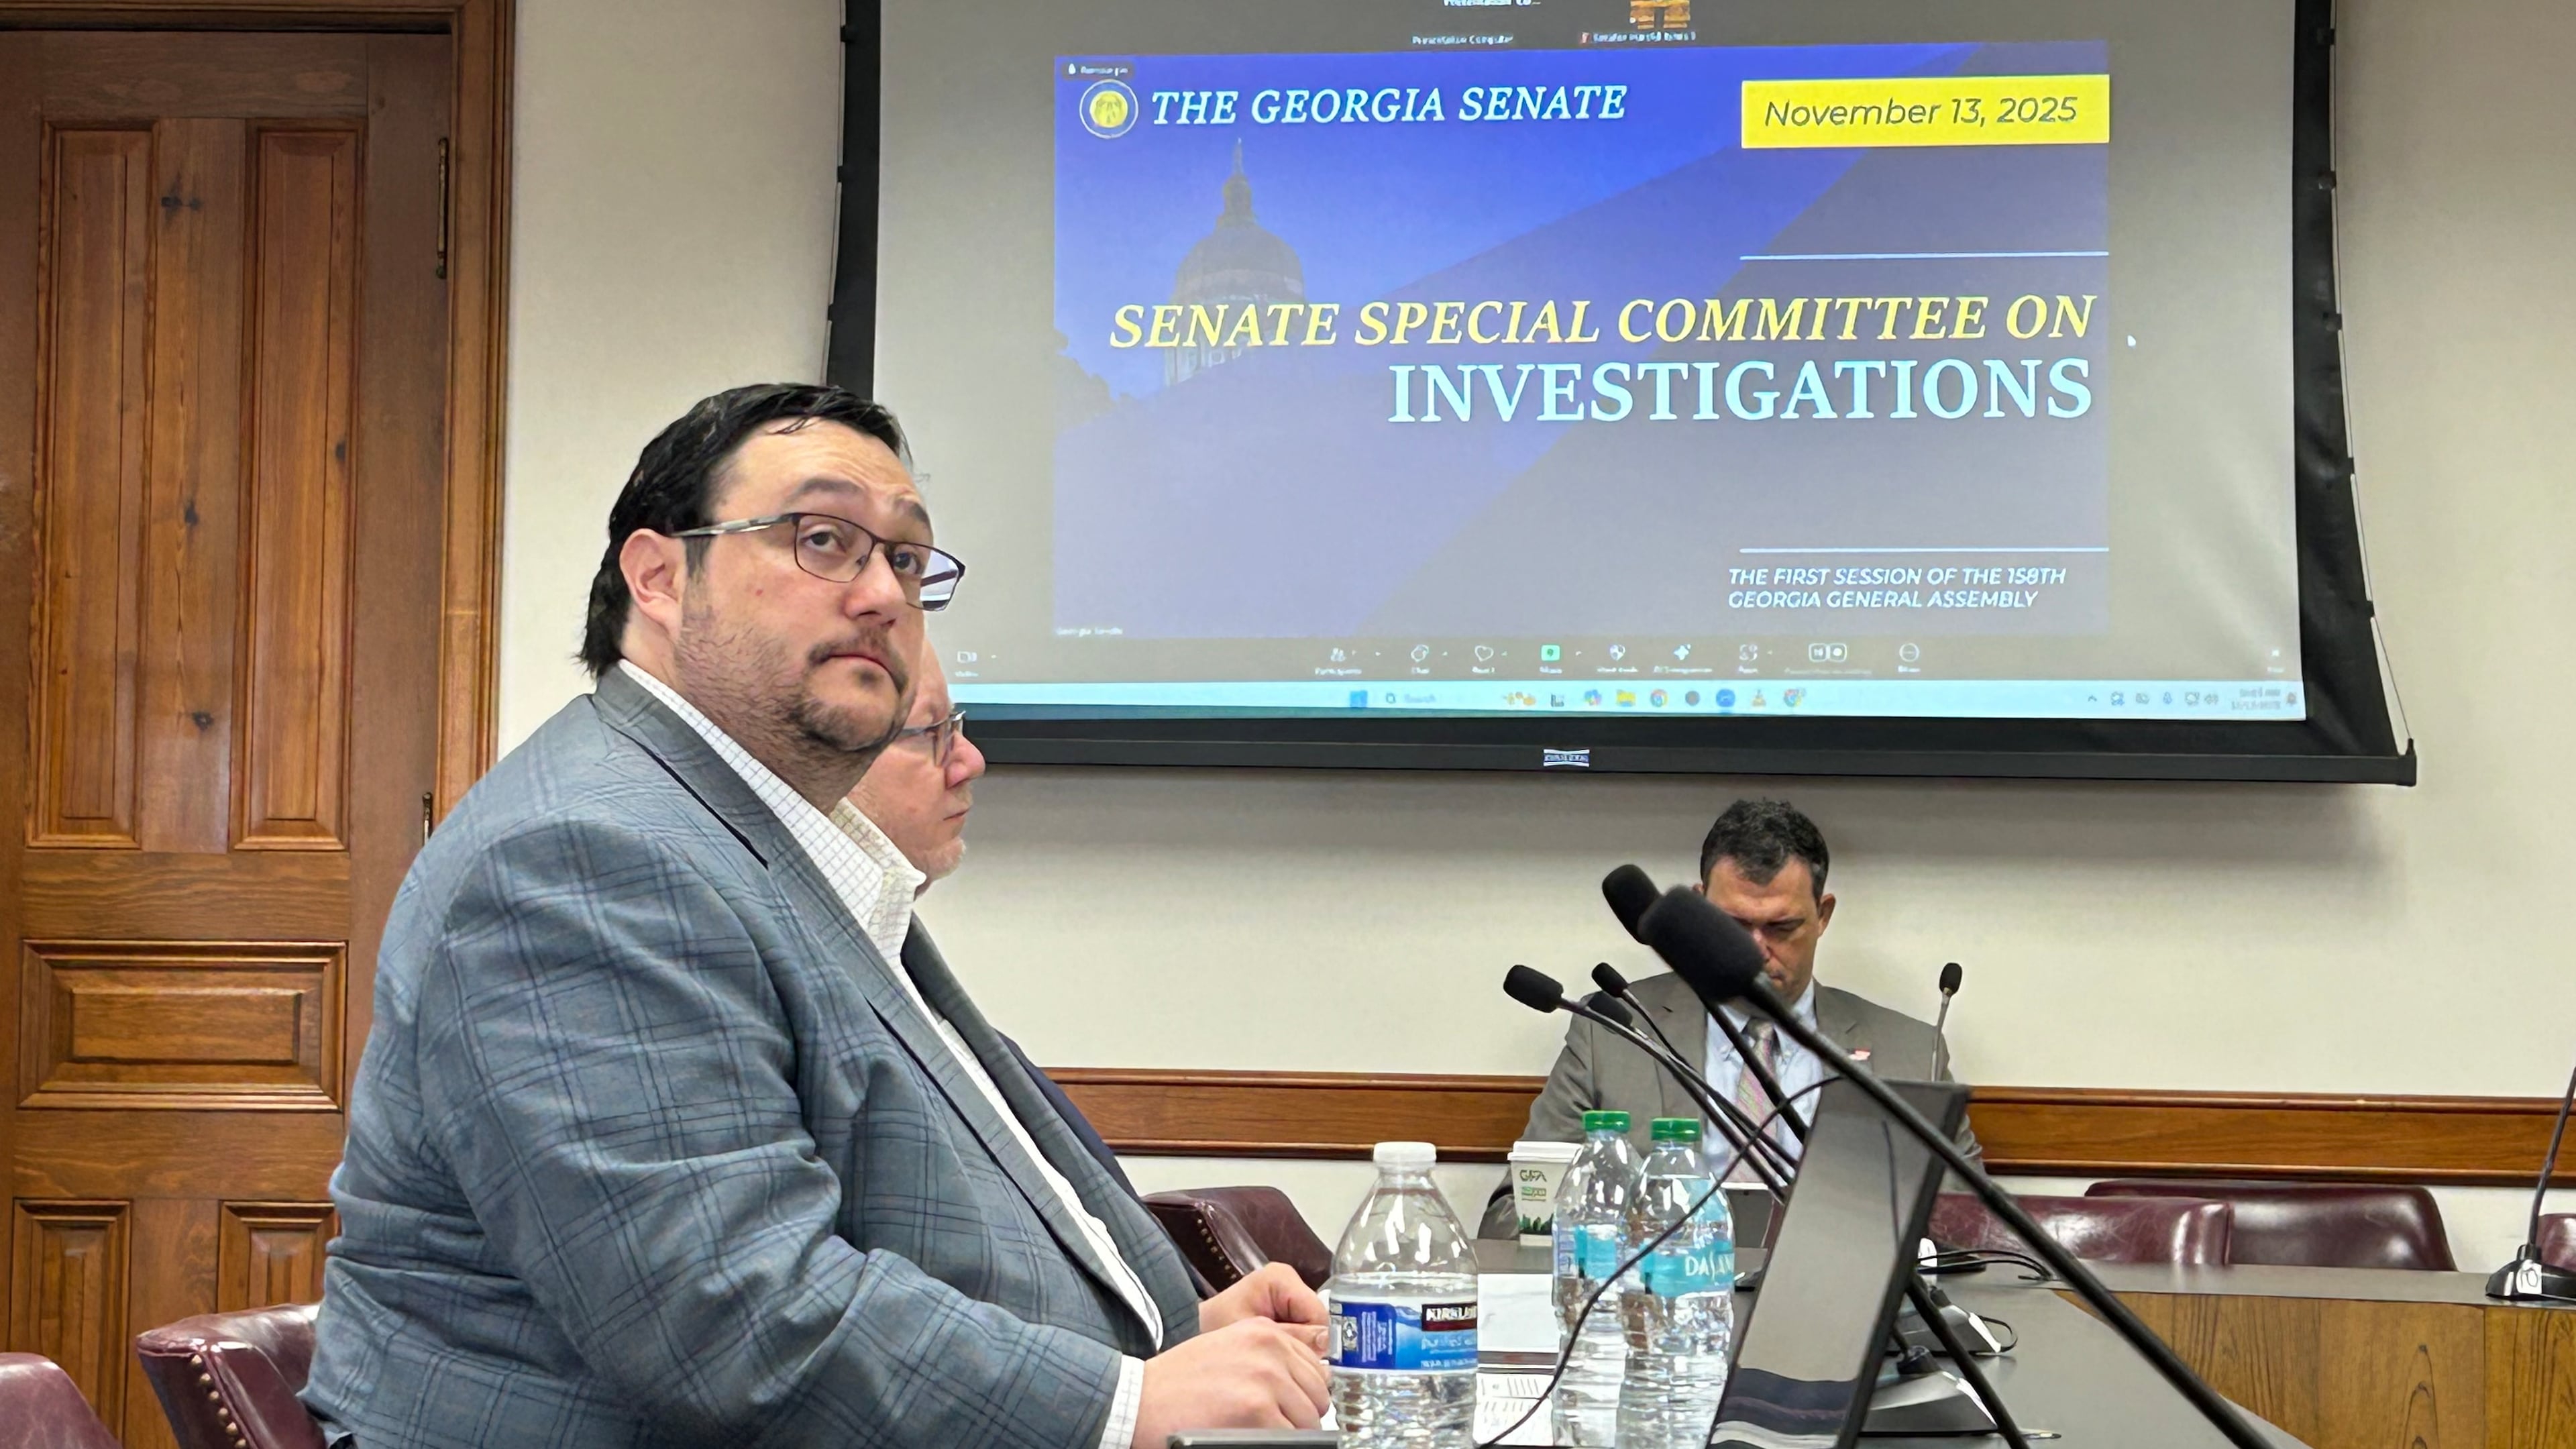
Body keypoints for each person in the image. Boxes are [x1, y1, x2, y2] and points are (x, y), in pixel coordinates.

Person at [305, 384, 1328, 1448]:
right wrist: (1127, 1402)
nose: (884, 593)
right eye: (825, 540)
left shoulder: (764, 838)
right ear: (658, 576)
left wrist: (1163, 1335)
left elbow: (916, 1217)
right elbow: (731, 1317)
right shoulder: (582, 853)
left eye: (908, 559)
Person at [1481, 798, 1980, 1238]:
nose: (1757, 951)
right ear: (1698, 910)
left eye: (1782, 927)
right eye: (1733, 926)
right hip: (1662, 1303)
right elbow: (1512, 1218)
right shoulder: (1614, 1032)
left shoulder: (1912, 1053)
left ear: (1823, 915)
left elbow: (1970, 1233)